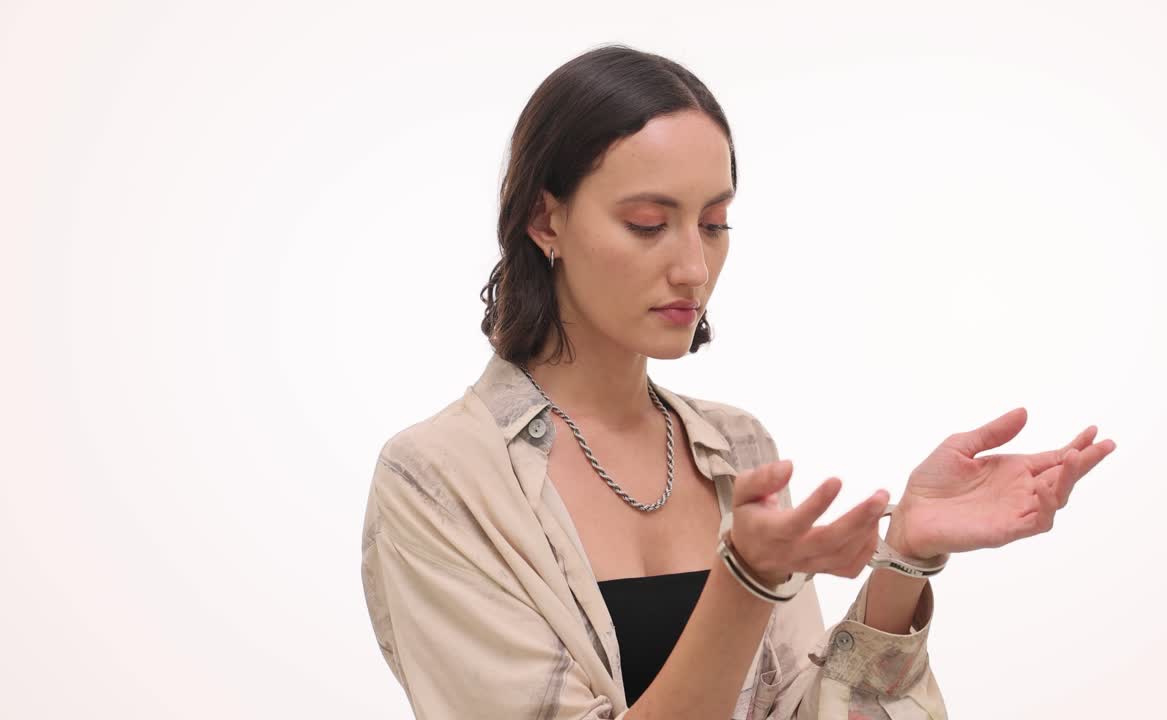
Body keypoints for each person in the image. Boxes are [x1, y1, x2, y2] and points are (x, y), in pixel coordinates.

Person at [359, 43, 1117, 720]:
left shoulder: (736, 447)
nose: (692, 266)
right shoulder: (439, 480)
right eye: (649, 224)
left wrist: (905, 556)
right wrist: (746, 580)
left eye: (714, 223)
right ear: (545, 221)